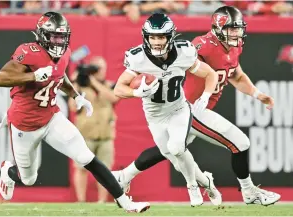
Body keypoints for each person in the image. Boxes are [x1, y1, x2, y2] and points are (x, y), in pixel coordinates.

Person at [112, 6, 281, 206]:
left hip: (200, 106)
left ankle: (124, 176)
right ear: (218, 28)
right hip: (191, 107)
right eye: (231, 29)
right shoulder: (202, 45)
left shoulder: (234, 47)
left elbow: (236, 75)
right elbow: (191, 66)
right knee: (240, 143)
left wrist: (257, 94)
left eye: (238, 29)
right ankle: (249, 191)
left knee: (168, 150)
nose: (236, 33)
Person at [0, 11, 149, 213]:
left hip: (51, 118)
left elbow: (60, 76)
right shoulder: (28, 51)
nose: (59, 41)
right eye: (55, 36)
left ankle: (125, 202)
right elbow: (1, 78)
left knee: (86, 157)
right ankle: (8, 172)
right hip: (24, 125)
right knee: (28, 179)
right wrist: (33, 76)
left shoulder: (64, 53)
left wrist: (76, 95)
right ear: (43, 35)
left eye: (62, 37)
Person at [114, 13, 221, 206]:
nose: (156, 42)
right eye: (152, 37)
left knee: (177, 148)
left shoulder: (183, 53)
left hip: (178, 109)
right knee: (177, 161)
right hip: (154, 116)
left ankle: (192, 187)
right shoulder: (138, 58)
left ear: (170, 37)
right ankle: (207, 183)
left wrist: (205, 96)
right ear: (146, 37)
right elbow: (118, 88)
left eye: (161, 37)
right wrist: (137, 93)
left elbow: (210, 74)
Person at [71, 57, 119, 203]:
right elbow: (73, 107)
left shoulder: (110, 85)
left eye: (101, 68)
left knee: (104, 171)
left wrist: (94, 82)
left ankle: (102, 201)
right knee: (81, 168)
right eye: (95, 69)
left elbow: (114, 98)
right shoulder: (80, 87)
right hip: (85, 134)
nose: (99, 72)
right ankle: (81, 201)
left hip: (105, 135)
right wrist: (75, 83)